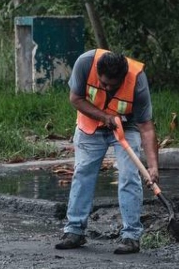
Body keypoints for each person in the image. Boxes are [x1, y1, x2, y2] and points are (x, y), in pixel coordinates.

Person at [57, 49, 159, 255]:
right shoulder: (85, 63)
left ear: (124, 76)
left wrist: (153, 166)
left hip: (126, 126)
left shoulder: (137, 80)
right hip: (90, 124)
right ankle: (74, 231)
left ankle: (131, 236)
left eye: (114, 85)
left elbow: (146, 127)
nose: (108, 88)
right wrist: (104, 117)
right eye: (104, 84)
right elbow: (76, 98)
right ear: (97, 71)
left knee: (130, 175)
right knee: (83, 172)